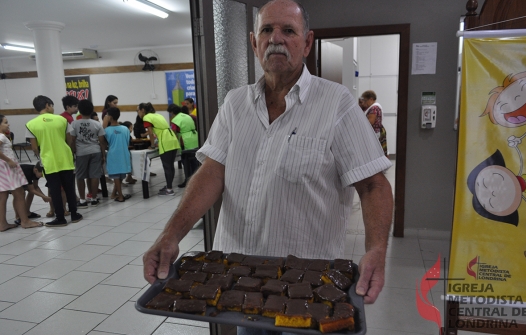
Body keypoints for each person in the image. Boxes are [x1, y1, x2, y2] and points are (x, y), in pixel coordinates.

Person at [143, 0, 392, 310]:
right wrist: (171, 235)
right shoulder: (235, 104)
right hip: (237, 274)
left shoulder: (336, 104)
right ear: (254, 42)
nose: (277, 38)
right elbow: (212, 173)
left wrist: (376, 250)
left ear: (307, 42)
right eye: (267, 30)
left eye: (288, 30)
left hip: (308, 282)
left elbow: (373, 185)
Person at [26, 96, 83, 227]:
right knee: (69, 187)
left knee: (55, 190)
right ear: (47, 105)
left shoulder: (31, 124)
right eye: (51, 105)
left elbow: (34, 147)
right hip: (65, 159)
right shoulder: (62, 120)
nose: (53, 108)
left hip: (49, 161)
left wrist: (41, 155)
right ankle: (74, 214)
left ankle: (60, 218)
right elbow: (70, 140)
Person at [0, 115, 44, 231]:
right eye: (5, 122)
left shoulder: (4, 136)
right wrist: (9, 160)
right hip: (7, 168)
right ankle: (25, 221)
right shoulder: (1, 137)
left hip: (2, 168)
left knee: (2, 195)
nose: (8, 124)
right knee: (19, 193)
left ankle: (2, 223)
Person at [137, 102, 180, 196]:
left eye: (138, 110)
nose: (138, 112)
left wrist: (152, 145)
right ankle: (169, 186)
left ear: (143, 110)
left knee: (167, 166)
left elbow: (151, 133)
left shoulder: (146, 117)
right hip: (172, 139)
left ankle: (169, 190)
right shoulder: (157, 115)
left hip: (165, 141)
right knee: (170, 166)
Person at [70, 99, 106, 207]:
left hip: (81, 153)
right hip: (95, 151)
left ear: (79, 111)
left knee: (80, 176)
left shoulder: (74, 124)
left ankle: (82, 200)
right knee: (94, 175)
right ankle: (94, 199)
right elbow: (102, 141)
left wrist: (72, 153)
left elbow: (72, 140)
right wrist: (103, 154)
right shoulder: (97, 124)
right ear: (92, 111)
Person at [103, 107, 132, 202]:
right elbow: (127, 141)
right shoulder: (125, 129)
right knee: (120, 175)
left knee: (116, 175)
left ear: (110, 117)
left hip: (113, 154)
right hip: (124, 153)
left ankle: (117, 195)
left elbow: (105, 143)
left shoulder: (106, 130)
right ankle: (117, 195)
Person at [168, 104, 199, 188]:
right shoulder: (187, 116)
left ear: (172, 112)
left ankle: (188, 181)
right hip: (195, 138)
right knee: (195, 161)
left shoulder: (175, 120)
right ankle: (196, 180)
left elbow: (173, 134)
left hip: (185, 141)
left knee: (186, 162)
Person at [359, 90, 388, 157]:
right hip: (377, 132)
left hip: (374, 133)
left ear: (371, 99)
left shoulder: (374, 108)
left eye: (365, 100)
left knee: (373, 152)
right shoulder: (374, 107)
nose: (364, 103)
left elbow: (370, 122)